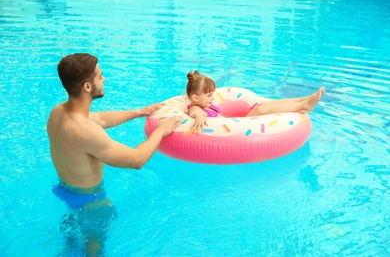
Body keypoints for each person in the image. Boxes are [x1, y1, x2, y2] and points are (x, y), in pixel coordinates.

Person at [47, 53, 183, 255]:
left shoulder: (58, 112)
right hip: (92, 202)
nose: (104, 79)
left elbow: (100, 118)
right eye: (100, 76)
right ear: (87, 86)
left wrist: (140, 112)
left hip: (65, 190)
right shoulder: (85, 131)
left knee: (72, 240)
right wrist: (160, 132)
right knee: (93, 249)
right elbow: (137, 160)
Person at [186, 70, 325, 133]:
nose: (213, 98)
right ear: (195, 98)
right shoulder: (195, 108)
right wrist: (198, 116)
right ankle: (303, 105)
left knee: (264, 104)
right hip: (238, 128)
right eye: (209, 95)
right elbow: (195, 112)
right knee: (260, 110)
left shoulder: (206, 104)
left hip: (237, 121)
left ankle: (304, 99)